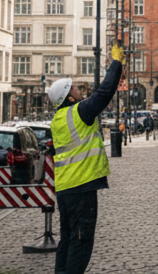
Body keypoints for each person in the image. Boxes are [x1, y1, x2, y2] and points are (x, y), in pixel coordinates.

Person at [49, 43, 123, 274]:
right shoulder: (79, 112)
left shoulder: (58, 119)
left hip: (65, 188)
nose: (80, 90)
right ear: (69, 98)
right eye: (76, 89)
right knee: (81, 241)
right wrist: (116, 63)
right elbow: (105, 92)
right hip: (81, 186)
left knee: (68, 239)